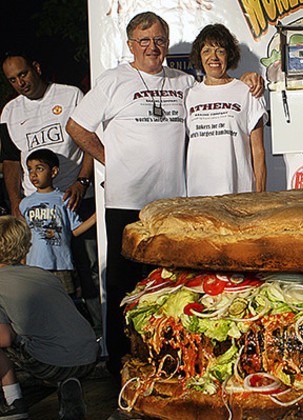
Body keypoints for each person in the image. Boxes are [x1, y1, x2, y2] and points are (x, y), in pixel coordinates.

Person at [65, 11, 264, 377]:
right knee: (123, 284)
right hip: (127, 201)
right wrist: (111, 160)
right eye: (144, 41)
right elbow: (76, 127)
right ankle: (120, 363)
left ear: (167, 44)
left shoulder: (184, 82)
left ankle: (167, 358)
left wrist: (250, 79)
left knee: (170, 285)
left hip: (172, 205)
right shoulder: (113, 80)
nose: (152, 47)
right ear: (131, 45)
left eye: (159, 40)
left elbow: (219, 89)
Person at [0, 52, 102, 334]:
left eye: (23, 74)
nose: (20, 82)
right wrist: (16, 201)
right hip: (36, 208)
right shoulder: (10, 112)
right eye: (12, 80)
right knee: (41, 273)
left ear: (36, 68)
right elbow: (11, 161)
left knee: (90, 267)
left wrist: (82, 182)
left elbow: (90, 140)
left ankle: (100, 331)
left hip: (74, 199)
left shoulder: (70, 95)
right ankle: (51, 333)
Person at [0, 215, 99, 419]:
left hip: (52, 363)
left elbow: (4, 339)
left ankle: (14, 402)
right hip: (89, 355)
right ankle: (68, 386)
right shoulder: (43, 274)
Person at [186, 23, 267, 196]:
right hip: (199, 196)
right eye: (207, 51)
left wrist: (260, 196)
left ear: (229, 56)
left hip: (239, 195)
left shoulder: (248, 91)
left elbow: (258, 151)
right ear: (199, 56)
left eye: (220, 51)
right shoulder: (189, 95)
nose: (213, 57)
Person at [19, 149, 97, 296]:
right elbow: (24, 236)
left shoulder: (64, 199)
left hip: (61, 265)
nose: (33, 174)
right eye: (30, 169)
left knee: (64, 300)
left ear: (54, 172)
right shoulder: (25, 203)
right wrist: (23, 263)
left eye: (39, 169)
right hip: (34, 266)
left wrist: (95, 217)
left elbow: (74, 230)